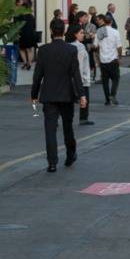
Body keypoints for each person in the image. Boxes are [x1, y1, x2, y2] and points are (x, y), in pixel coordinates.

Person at [31, 18, 86, 172]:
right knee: (68, 127)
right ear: (64, 31)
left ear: (50, 31)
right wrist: (82, 95)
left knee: (50, 129)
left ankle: (52, 162)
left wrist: (34, 94)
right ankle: (70, 155)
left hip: (49, 95)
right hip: (67, 95)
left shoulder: (43, 50)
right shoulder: (71, 50)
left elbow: (37, 76)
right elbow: (76, 74)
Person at [96, 12, 122, 105]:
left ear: (104, 21)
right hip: (113, 59)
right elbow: (119, 46)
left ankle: (107, 100)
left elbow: (96, 45)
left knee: (105, 81)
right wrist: (120, 57)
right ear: (111, 22)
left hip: (103, 59)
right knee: (116, 78)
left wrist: (98, 57)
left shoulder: (99, 31)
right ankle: (113, 94)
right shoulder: (115, 32)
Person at [72, 27, 94, 125]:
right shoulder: (80, 47)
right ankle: (83, 118)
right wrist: (81, 79)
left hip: (71, 78)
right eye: (81, 33)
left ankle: (57, 117)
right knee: (84, 98)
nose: (83, 35)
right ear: (75, 34)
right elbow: (80, 65)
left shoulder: (69, 45)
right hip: (82, 78)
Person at [15, 0, 37, 69]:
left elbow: (16, 26)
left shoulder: (20, 16)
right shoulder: (31, 16)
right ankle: (29, 63)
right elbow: (34, 26)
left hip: (22, 34)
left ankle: (25, 62)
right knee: (29, 49)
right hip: (31, 34)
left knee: (22, 49)